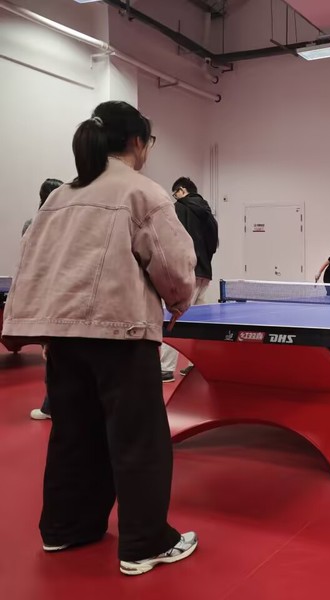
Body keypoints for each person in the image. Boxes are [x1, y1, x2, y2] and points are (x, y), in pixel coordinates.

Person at [1, 101, 199, 575]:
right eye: (149, 141)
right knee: (138, 439)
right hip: (120, 333)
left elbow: (32, 259)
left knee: (74, 434)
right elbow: (173, 264)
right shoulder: (142, 191)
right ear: (137, 142)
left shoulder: (59, 196)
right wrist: (178, 301)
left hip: (62, 335)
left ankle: (66, 529)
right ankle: (145, 544)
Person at [160, 176, 218, 382]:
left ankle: (165, 368)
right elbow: (213, 244)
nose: (174, 196)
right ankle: (197, 364)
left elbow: (172, 239)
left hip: (186, 270)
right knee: (198, 322)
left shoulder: (179, 208)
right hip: (204, 272)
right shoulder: (208, 212)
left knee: (173, 319)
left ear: (182, 190)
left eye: (175, 192)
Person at [24, 178, 64, 421]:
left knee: (52, 354)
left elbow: (29, 263)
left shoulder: (33, 225)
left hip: (47, 296)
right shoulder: (71, 222)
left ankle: (51, 406)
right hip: (65, 294)